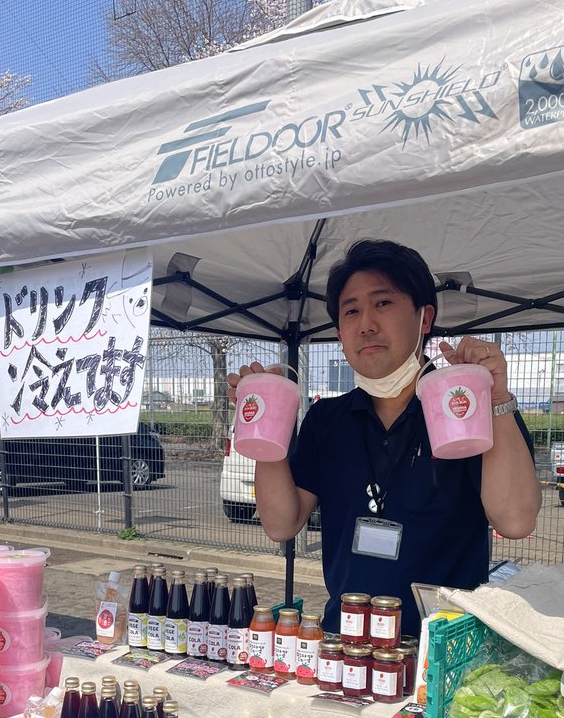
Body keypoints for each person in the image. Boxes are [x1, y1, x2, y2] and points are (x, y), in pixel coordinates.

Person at [227, 239, 541, 636]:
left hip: (442, 650)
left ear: (424, 318)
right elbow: (281, 524)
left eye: (383, 304)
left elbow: (515, 520)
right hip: (347, 642)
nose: (366, 324)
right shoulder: (328, 418)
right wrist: (265, 432)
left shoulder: (467, 408)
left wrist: (496, 397)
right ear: (339, 332)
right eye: (351, 311)